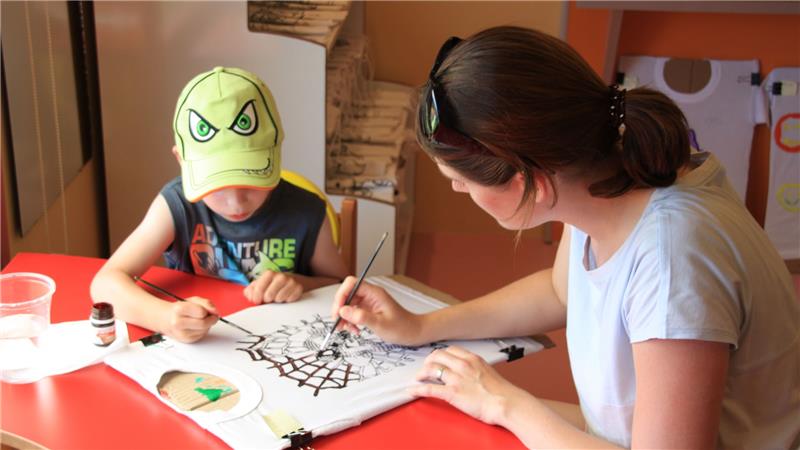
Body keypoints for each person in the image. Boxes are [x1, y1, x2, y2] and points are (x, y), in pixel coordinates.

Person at [330, 27, 800, 448]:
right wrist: (421, 327)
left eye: (461, 182)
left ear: (528, 182)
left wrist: (504, 403)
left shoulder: (672, 263)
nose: (458, 190)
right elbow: (560, 291)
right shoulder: (601, 172)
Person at [92, 67, 348, 343]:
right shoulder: (177, 205)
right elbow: (105, 284)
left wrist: (301, 283)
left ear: (275, 154)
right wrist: (164, 317)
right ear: (182, 162)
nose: (236, 203)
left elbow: (341, 287)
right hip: (204, 346)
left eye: (252, 181)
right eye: (217, 185)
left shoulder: (306, 212)